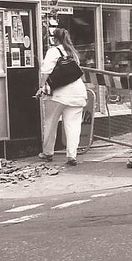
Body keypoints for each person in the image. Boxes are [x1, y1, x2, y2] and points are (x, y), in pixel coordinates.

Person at [35, 27, 88, 166]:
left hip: (58, 94)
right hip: (77, 93)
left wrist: (41, 87)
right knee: (73, 126)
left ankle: (47, 153)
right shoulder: (73, 52)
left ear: (54, 39)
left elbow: (45, 72)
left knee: (50, 123)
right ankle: (72, 155)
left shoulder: (53, 51)